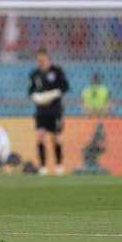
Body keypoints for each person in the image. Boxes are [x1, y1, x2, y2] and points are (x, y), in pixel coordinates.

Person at [28, 47, 69, 175]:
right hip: (41, 111)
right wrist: (37, 97)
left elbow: (65, 86)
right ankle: (43, 167)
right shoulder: (35, 74)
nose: (41, 62)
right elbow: (30, 91)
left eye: (42, 59)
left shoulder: (57, 71)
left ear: (47, 58)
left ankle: (58, 165)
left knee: (56, 138)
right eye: (38, 60)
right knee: (40, 136)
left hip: (55, 110)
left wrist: (53, 94)